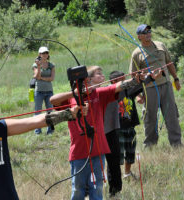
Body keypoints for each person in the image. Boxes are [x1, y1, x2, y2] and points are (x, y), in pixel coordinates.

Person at [50, 66, 154, 200]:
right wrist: (75, 93)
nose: (88, 85)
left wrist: (135, 80)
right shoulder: (71, 99)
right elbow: (53, 100)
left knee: (97, 188)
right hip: (79, 154)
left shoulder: (99, 94)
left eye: (89, 81)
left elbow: (118, 86)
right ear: (77, 84)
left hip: (98, 151)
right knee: (78, 190)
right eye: (84, 82)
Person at [129, 24, 182, 148]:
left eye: (149, 31)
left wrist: (176, 79)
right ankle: (150, 146)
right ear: (139, 36)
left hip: (166, 85)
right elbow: (133, 77)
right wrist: (138, 95)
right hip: (149, 90)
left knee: (172, 116)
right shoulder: (136, 53)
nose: (148, 33)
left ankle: (177, 144)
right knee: (150, 118)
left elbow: (169, 63)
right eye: (144, 32)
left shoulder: (160, 45)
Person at [32, 46, 55, 135]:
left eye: (46, 53)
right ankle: (37, 131)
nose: (44, 55)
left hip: (49, 91)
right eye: (42, 53)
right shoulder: (35, 65)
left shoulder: (51, 65)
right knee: (38, 111)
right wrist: (38, 66)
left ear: (48, 54)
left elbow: (52, 78)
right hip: (39, 91)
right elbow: (36, 76)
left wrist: (42, 78)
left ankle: (50, 130)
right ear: (39, 54)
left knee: (50, 111)